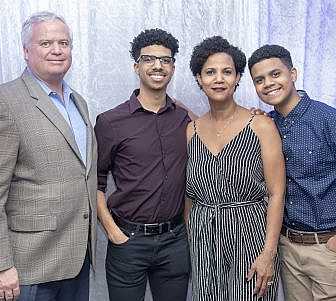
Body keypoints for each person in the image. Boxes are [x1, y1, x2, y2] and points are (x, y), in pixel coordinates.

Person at [0, 11, 97, 301]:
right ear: (26, 51)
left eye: (64, 43)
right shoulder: (6, 101)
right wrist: (3, 265)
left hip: (76, 260)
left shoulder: (78, 102)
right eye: (46, 43)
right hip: (29, 267)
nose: (57, 50)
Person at [185, 36, 285, 301]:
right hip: (203, 235)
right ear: (198, 78)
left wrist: (268, 253)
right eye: (210, 72)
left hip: (250, 233)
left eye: (227, 72)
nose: (219, 79)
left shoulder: (261, 125)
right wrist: (191, 235)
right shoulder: (191, 130)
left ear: (238, 77)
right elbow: (190, 194)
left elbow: (276, 193)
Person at [94, 28, 191, 301]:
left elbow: (217, 133)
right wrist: (113, 233)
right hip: (128, 242)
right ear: (137, 66)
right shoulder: (110, 122)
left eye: (165, 60)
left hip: (174, 242)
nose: (158, 65)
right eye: (149, 59)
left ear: (172, 67)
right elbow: (94, 182)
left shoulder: (184, 119)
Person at [248, 44, 336, 301]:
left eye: (276, 74)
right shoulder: (267, 124)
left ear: (293, 74)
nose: (268, 84)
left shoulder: (327, 119)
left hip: (327, 248)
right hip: (287, 248)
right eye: (260, 80)